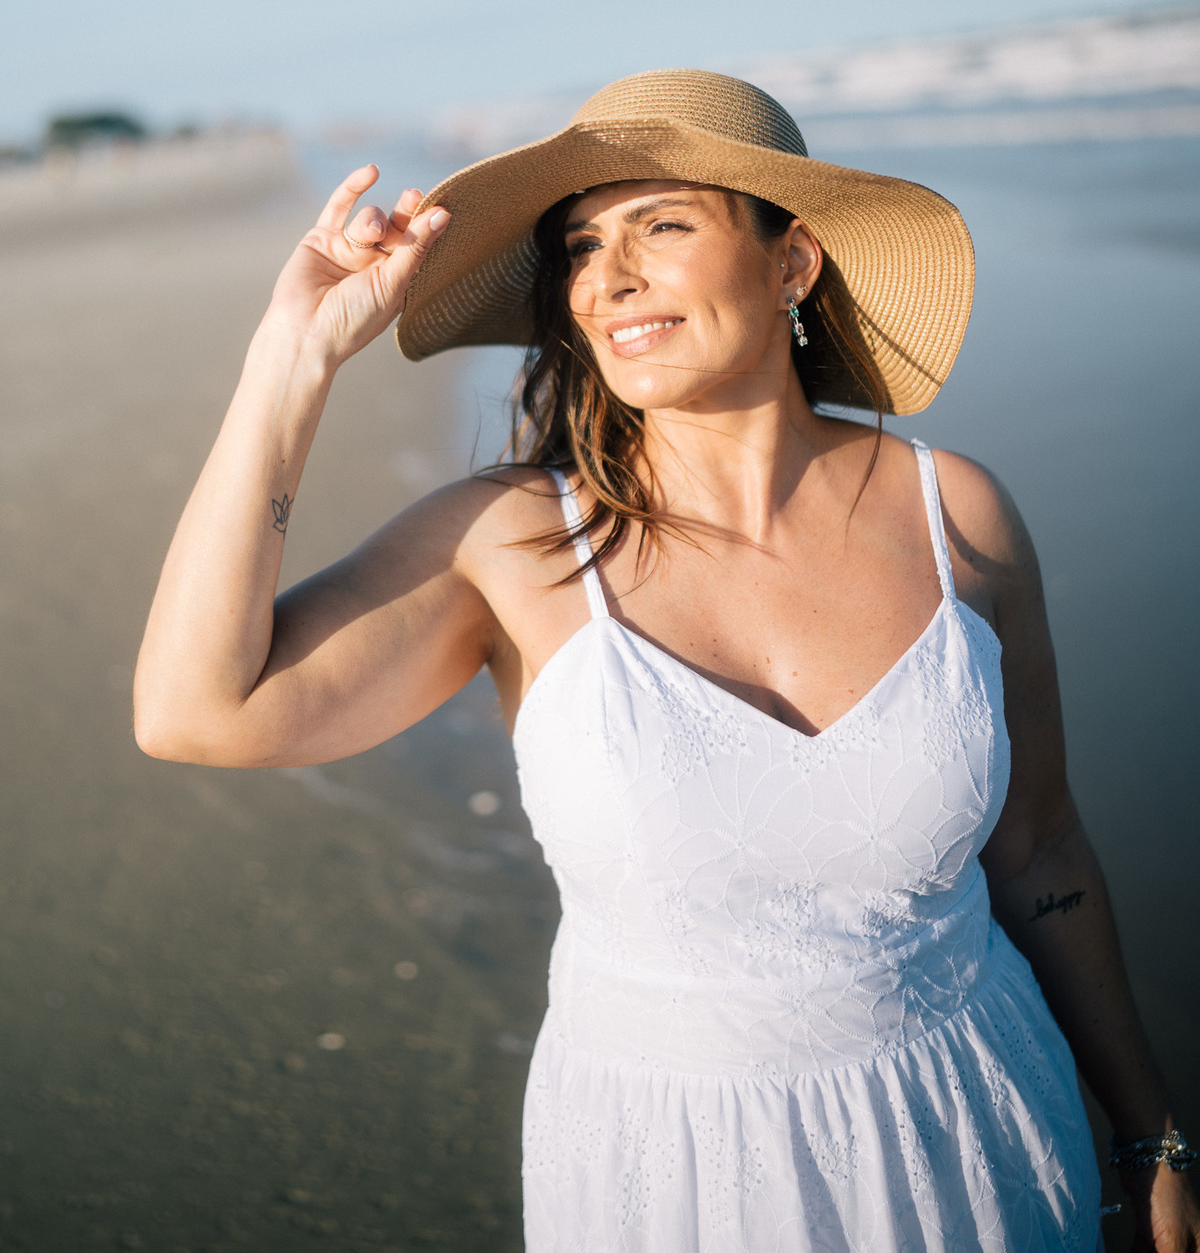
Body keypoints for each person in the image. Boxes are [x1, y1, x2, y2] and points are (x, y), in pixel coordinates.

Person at [136, 70, 1197, 1253]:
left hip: (978, 1126)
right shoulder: (516, 543)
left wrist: (1149, 1133)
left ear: (793, 263)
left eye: (663, 226)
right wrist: (293, 360)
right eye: (583, 247)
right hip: (675, 1170)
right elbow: (196, 713)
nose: (609, 279)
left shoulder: (957, 514)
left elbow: (1042, 848)